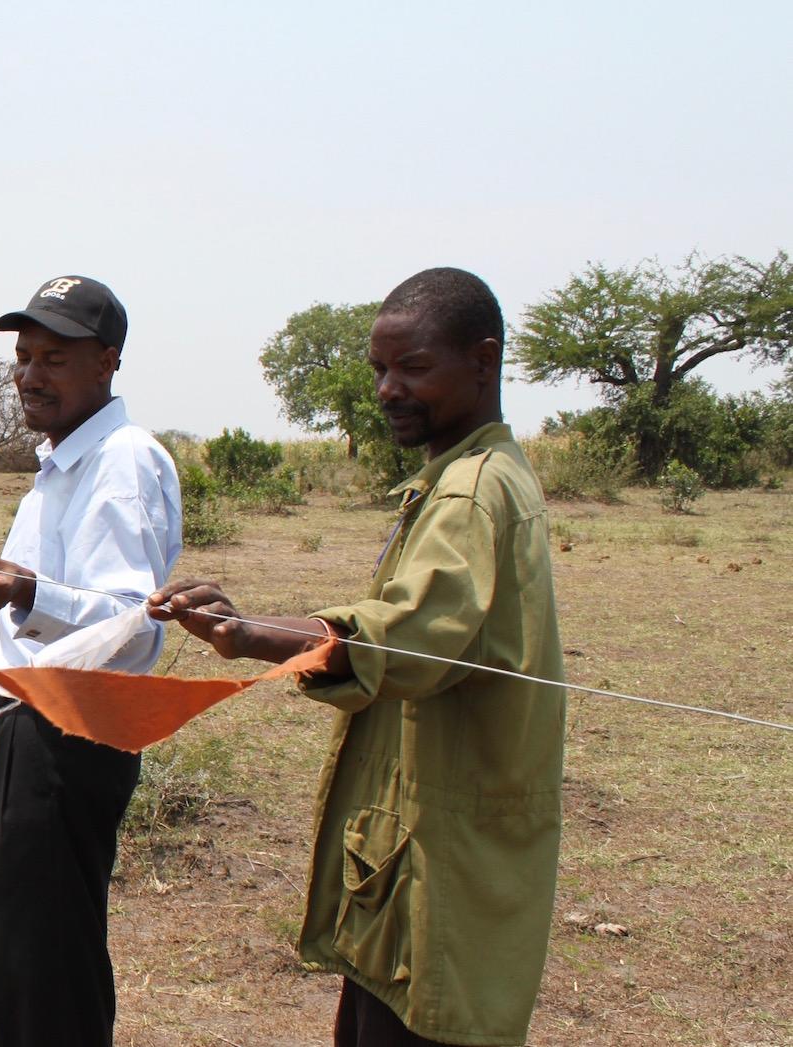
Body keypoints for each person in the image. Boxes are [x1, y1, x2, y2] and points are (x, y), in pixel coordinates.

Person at [148, 268, 564, 1047]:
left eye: (412, 368)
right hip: (433, 853)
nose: (386, 390)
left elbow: (404, 638)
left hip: (446, 859)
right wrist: (255, 627)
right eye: (379, 369)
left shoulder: (471, 491)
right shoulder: (477, 474)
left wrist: (250, 636)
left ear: (484, 360)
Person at [0, 275, 182, 1047]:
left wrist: (24, 589)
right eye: (24, 356)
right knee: (15, 949)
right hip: (31, 723)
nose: (30, 374)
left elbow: (132, 620)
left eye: (54, 358)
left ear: (106, 362)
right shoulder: (63, 462)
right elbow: (54, 589)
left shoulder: (121, 462)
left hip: (72, 730)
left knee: (45, 957)